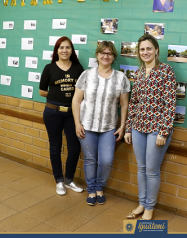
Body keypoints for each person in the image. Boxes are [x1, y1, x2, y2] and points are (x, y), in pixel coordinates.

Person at [124, 33, 177, 220]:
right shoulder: (137, 73)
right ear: (138, 53)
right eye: (142, 49)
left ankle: (149, 208)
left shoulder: (166, 70)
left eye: (148, 48)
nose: (145, 52)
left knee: (152, 170)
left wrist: (164, 131)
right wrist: (129, 128)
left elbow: (171, 103)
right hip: (138, 127)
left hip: (157, 130)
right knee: (141, 168)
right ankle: (141, 202)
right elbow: (134, 103)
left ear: (156, 50)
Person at [72, 41, 130, 206]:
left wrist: (122, 126)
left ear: (113, 57)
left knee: (106, 160)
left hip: (108, 128)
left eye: (109, 53)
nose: (106, 56)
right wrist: (77, 123)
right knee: (90, 159)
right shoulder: (86, 75)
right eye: (102, 53)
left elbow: (124, 104)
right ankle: (91, 190)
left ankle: (99, 187)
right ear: (97, 55)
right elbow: (76, 101)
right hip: (87, 126)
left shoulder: (121, 78)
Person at [39, 36, 85, 195]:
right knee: (55, 146)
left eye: (67, 47)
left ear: (72, 51)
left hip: (72, 113)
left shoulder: (78, 68)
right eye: (61, 47)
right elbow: (41, 91)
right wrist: (56, 93)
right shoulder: (49, 68)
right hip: (52, 112)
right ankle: (59, 180)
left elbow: (82, 92)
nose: (64, 50)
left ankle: (69, 179)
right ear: (56, 50)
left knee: (75, 146)